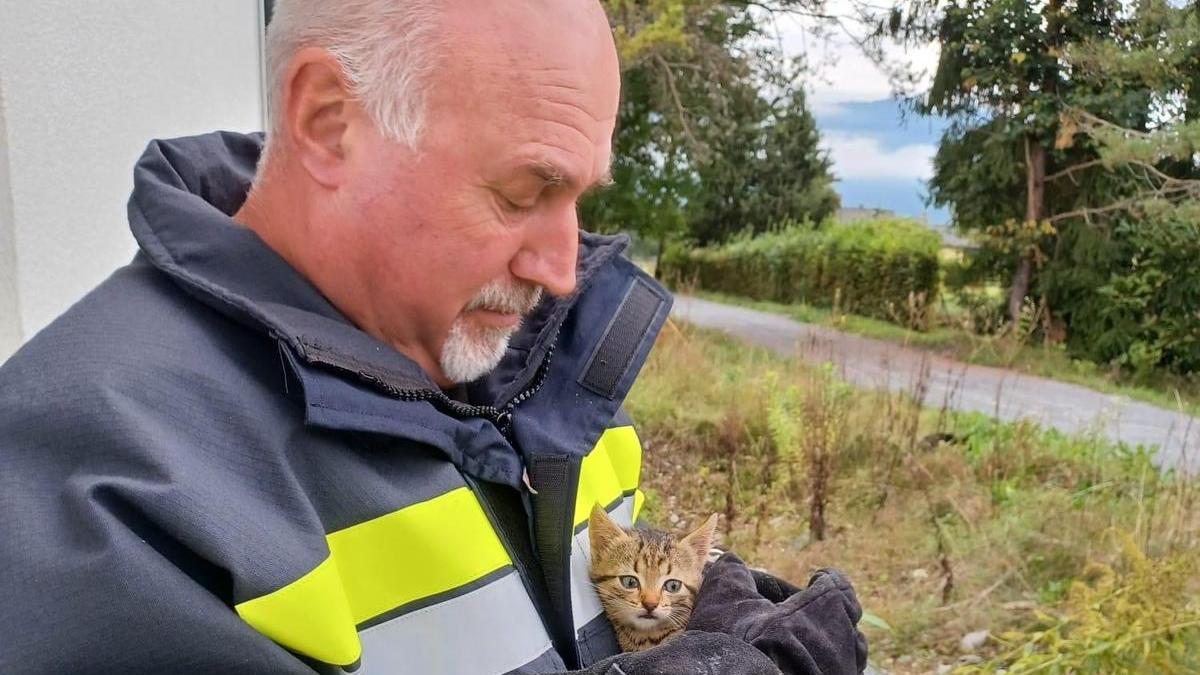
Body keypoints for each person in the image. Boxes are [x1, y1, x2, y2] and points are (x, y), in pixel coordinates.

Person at [0, 1, 868, 673]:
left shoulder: (536, 357)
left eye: (581, 198)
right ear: (328, 119)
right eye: (523, 193)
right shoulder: (98, 486)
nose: (563, 270)